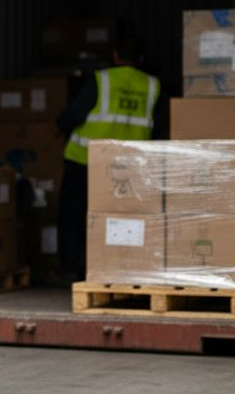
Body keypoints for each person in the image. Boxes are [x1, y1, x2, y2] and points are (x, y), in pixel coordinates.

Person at [55, 36, 160, 283]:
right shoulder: (153, 86)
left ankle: (71, 268)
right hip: (131, 166)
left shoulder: (102, 80)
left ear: (115, 55)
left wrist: (60, 124)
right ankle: (121, 265)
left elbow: (74, 114)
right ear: (142, 59)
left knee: (73, 215)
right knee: (123, 215)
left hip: (86, 160)